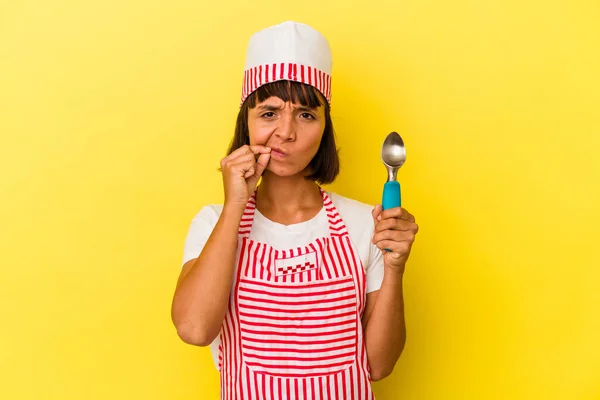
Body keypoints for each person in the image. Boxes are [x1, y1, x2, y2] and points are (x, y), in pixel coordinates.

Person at [171, 20, 419, 400]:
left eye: (305, 114)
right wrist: (235, 205)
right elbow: (193, 329)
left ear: (324, 130)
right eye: (269, 113)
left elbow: (378, 366)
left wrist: (395, 267)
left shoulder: (365, 225)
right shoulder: (213, 223)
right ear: (247, 124)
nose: (286, 131)